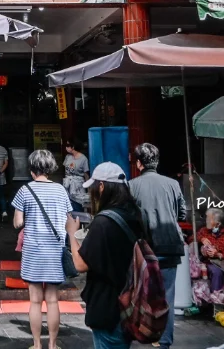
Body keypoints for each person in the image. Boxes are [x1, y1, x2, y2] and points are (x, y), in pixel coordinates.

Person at [65, 162, 144, 349]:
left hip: (108, 305)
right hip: (130, 303)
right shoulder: (134, 215)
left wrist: (71, 233)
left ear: (101, 186)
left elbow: (80, 264)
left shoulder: (103, 222)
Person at [12, 150, 73, 349]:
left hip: (33, 251)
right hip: (55, 250)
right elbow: (68, 220)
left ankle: (37, 345)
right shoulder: (60, 190)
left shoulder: (25, 190)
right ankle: (53, 345)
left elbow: (18, 222)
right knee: (53, 300)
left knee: (35, 301)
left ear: (32, 169)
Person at [128, 143, 187, 349]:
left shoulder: (132, 185)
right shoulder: (172, 184)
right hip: (170, 247)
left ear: (138, 163)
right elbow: (182, 214)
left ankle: (141, 332)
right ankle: (164, 341)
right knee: (166, 297)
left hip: (145, 249)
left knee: (140, 294)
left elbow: (129, 218)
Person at [191, 208, 224, 308]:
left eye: (210, 219)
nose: (207, 221)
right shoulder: (204, 231)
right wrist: (202, 238)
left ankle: (222, 302)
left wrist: (218, 254)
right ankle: (216, 303)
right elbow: (191, 238)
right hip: (209, 263)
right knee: (216, 272)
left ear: (218, 223)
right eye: (207, 218)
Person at [62, 141, 90, 213]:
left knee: (78, 204)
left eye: (68, 146)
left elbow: (86, 174)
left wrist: (89, 189)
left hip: (78, 184)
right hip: (68, 182)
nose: (66, 147)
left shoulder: (83, 159)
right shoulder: (68, 157)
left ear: (73, 147)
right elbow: (65, 170)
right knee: (68, 205)